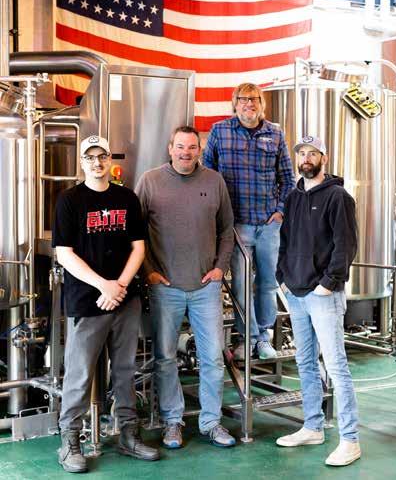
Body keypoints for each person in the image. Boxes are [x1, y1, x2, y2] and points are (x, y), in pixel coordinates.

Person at [53, 135, 160, 473]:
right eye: (90, 157)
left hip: (125, 299)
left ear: (109, 159)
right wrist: (104, 285)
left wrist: (120, 286)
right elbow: (64, 253)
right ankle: (70, 441)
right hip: (88, 301)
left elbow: (139, 248)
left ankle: (128, 434)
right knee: (80, 373)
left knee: (126, 371)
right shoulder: (69, 200)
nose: (97, 162)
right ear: (81, 162)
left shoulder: (126, 198)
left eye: (102, 156)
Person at [135, 126, 235, 449]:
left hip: (206, 287)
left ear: (199, 150)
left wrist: (220, 268)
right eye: (180, 146)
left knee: (213, 358)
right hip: (165, 287)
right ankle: (172, 422)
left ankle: (211, 422)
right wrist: (149, 271)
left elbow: (227, 230)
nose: (186, 153)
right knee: (165, 358)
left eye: (192, 147)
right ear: (170, 148)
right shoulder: (150, 181)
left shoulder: (214, 181)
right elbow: (136, 232)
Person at [275, 136, 361, 467]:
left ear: (323, 158)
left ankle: (350, 440)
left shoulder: (338, 197)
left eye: (313, 153)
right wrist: (282, 278)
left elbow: (346, 244)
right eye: (302, 153)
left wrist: (329, 283)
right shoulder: (293, 197)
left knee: (336, 365)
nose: (306, 158)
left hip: (323, 295)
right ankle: (312, 426)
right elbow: (285, 241)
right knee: (305, 362)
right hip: (295, 292)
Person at [203, 83, 295, 360]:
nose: (249, 104)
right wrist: (219, 218)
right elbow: (207, 175)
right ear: (235, 104)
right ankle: (248, 339)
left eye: (254, 99)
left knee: (267, 284)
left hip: (268, 224)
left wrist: (280, 212)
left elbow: (287, 179)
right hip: (236, 225)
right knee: (242, 285)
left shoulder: (275, 133)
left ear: (261, 103)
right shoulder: (220, 131)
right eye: (243, 99)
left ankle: (263, 337)